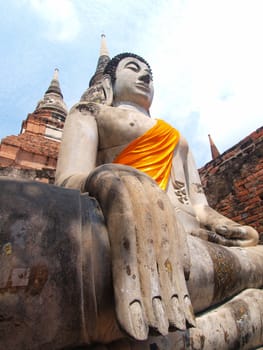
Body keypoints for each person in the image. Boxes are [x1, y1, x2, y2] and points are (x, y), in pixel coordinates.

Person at [55, 53, 261, 346]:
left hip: (200, 241)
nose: (145, 77)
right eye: (133, 68)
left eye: (149, 73)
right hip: (138, 237)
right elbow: (67, 186)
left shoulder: (175, 136)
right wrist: (113, 179)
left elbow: (200, 206)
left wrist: (229, 226)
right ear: (109, 81)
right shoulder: (90, 112)